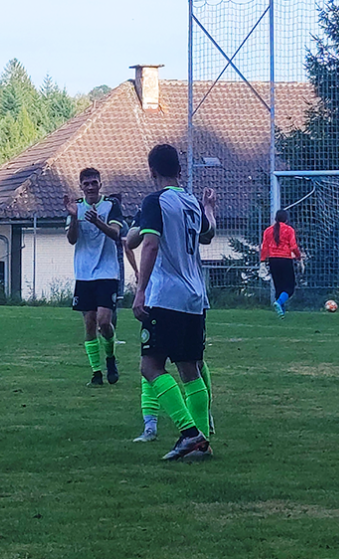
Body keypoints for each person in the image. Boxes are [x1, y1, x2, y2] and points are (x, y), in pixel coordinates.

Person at [129, 144, 216, 461]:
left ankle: (189, 433)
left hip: (166, 296)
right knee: (190, 369)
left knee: (150, 366)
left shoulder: (155, 201)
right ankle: (202, 442)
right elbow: (208, 234)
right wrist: (209, 207)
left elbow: (149, 244)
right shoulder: (192, 201)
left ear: (151, 170)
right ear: (179, 169)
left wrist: (141, 290)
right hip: (195, 297)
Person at [63, 168, 124, 386]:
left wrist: (98, 222)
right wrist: (73, 217)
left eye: (94, 183)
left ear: (100, 184)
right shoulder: (77, 207)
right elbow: (72, 239)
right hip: (84, 274)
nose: (90, 187)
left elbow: (116, 233)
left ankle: (110, 358)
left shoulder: (111, 205)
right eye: (86, 183)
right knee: (89, 323)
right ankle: (96, 373)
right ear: (81, 186)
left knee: (104, 322)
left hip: (107, 272)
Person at [260, 209, 303, 318]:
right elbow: (293, 246)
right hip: (285, 259)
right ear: (286, 219)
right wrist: (299, 257)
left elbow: (264, 247)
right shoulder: (289, 230)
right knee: (289, 287)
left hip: (273, 260)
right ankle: (279, 303)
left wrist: (262, 261)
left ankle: (281, 313)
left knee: (278, 286)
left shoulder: (268, 231)